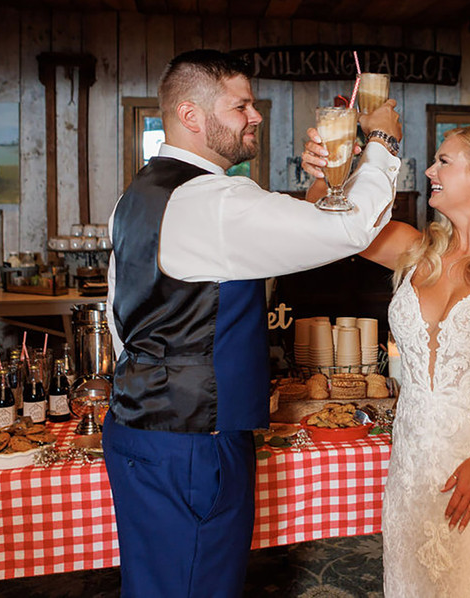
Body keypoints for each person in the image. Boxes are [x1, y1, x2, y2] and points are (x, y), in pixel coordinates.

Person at [103, 49, 402, 598]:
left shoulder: (136, 195)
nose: (255, 115)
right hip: (195, 441)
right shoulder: (215, 200)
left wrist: (326, 180)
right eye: (240, 106)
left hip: (136, 429)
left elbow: (120, 320)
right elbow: (351, 230)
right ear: (191, 115)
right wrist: (382, 144)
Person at [303, 125, 470, 597]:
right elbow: (333, 227)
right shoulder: (414, 248)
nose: (429, 171)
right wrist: (326, 171)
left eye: (444, 161)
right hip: (413, 469)